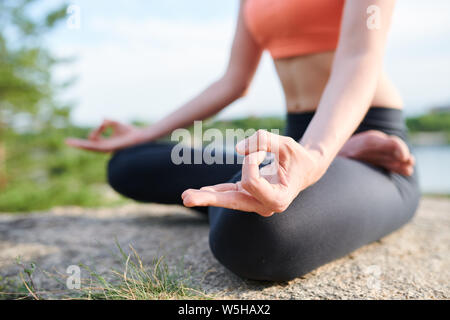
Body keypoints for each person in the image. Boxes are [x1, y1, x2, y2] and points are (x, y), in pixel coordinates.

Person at [67, 0, 420, 281]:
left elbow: (359, 57)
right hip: (301, 142)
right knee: (129, 163)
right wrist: (146, 132)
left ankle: (240, 198)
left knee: (256, 237)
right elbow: (233, 80)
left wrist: (316, 154)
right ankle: (238, 190)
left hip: (369, 150)